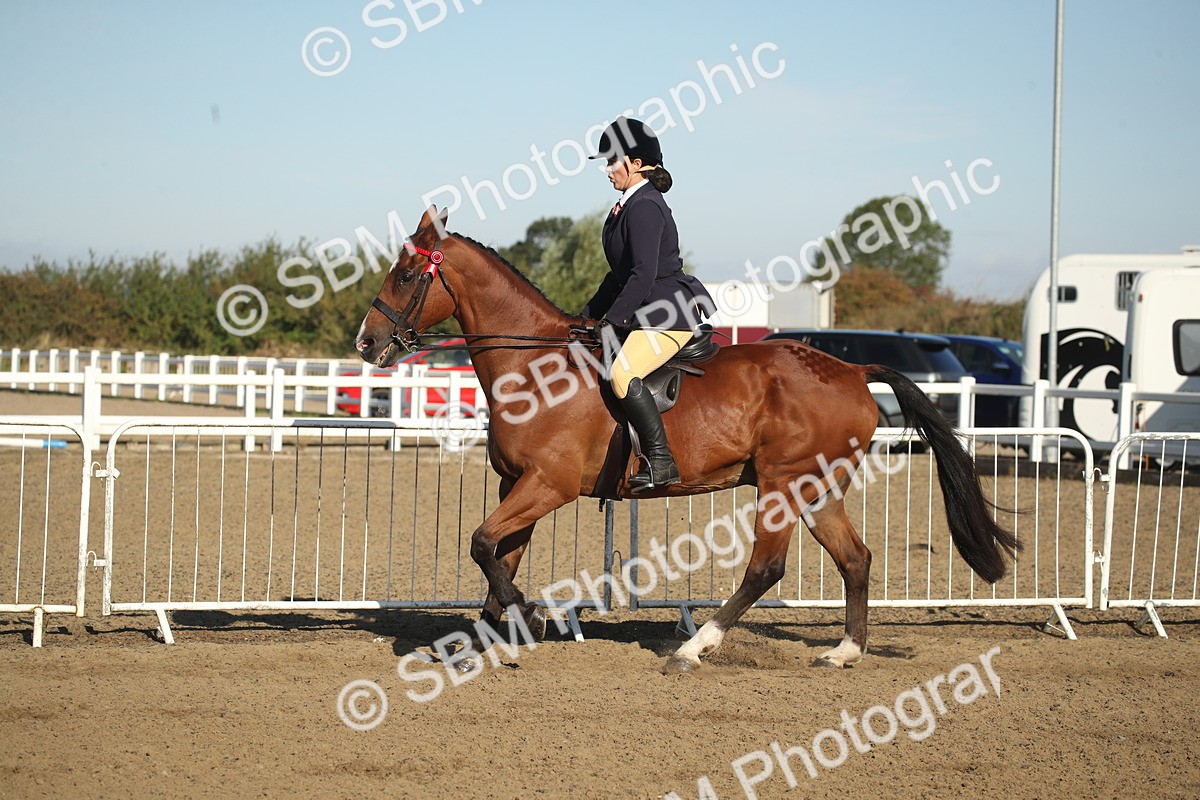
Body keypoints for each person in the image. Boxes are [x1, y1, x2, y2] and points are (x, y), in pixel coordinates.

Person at [581, 117, 715, 493]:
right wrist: (587, 316)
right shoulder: (627, 205)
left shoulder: (644, 206)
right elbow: (617, 276)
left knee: (623, 374)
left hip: (667, 314)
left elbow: (643, 274)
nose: (607, 171)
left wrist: (614, 320)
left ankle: (660, 460)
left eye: (613, 162)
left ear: (636, 164)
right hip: (648, 310)